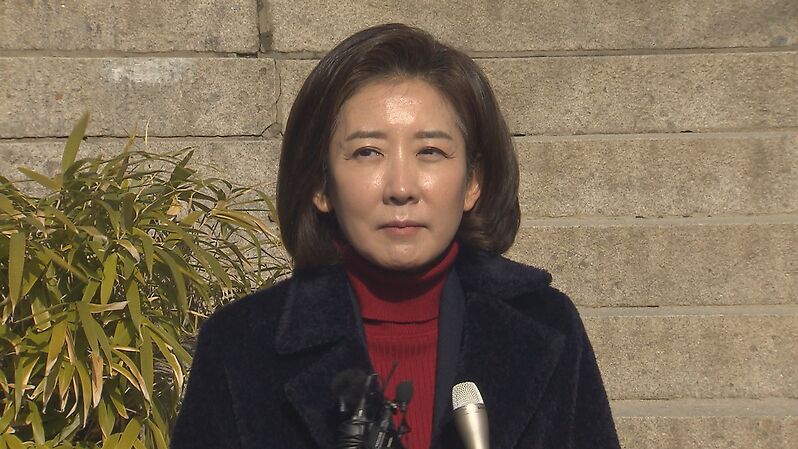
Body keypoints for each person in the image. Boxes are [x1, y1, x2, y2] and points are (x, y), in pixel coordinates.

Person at [171, 23, 620, 449]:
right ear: (320, 185)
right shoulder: (243, 346)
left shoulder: (546, 326)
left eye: (431, 151)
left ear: (473, 182)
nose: (401, 188)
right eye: (368, 152)